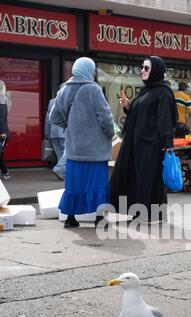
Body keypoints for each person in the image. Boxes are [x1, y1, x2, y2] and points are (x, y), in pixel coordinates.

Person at [109, 56, 178, 223]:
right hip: (136, 144)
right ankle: (138, 212)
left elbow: (165, 120)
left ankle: (147, 214)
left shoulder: (164, 91)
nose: (142, 71)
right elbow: (139, 113)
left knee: (147, 179)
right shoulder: (146, 90)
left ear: (156, 70)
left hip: (151, 145)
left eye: (146, 68)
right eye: (142, 67)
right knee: (135, 178)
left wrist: (168, 145)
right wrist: (127, 105)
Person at [49, 57, 114, 228]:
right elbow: (105, 118)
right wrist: (110, 133)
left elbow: (54, 117)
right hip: (95, 150)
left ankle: (71, 218)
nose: (93, 74)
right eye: (93, 70)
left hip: (74, 149)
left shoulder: (64, 90)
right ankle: (100, 218)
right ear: (87, 70)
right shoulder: (94, 90)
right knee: (97, 183)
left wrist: (70, 127)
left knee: (74, 184)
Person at [45, 85, 66, 180]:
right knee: (67, 154)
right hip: (64, 132)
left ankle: (63, 175)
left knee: (60, 154)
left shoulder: (52, 101)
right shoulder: (67, 101)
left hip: (53, 133)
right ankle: (59, 170)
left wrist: (47, 132)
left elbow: (48, 118)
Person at [0, 80, 10, 180]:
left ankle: (5, 171)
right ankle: (5, 171)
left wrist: (3, 131)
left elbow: (2, 117)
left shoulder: (2, 99)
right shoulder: (1, 99)